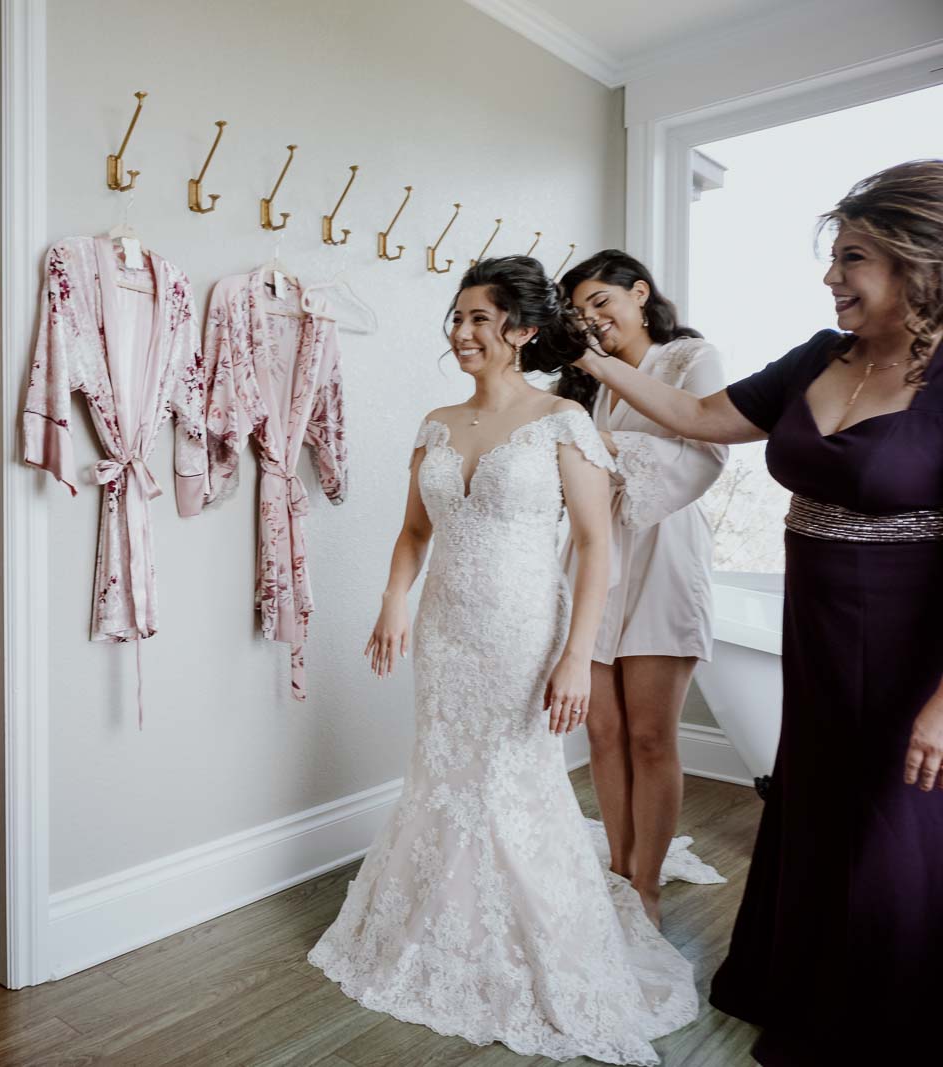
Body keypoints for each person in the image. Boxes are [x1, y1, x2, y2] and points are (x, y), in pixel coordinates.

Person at [570, 160, 943, 1066]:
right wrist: (579, 352)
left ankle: (888, 1026)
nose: (831, 278)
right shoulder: (820, 355)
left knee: (893, 832)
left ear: (918, 262)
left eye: (852, 258)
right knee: (815, 801)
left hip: (914, 637)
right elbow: (698, 415)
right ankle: (800, 984)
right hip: (815, 619)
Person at [309, 256, 698, 1064]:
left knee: (516, 780)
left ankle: (541, 942)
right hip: (449, 631)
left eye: (480, 319)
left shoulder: (565, 420)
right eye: (456, 318)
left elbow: (597, 549)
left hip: (527, 632)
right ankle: (438, 930)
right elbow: (415, 531)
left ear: (522, 330)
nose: (462, 333)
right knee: (446, 772)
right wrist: (392, 601)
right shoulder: (436, 423)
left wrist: (574, 656)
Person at [556, 250, 729, 926]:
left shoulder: (690, 359)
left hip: (664, 549)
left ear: (639, 293)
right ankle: (619, 870)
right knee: (602, 727)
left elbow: (709, 453)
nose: (594, 319)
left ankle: (647, 885)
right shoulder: (590, 383)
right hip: (599, 550)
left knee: (652, 735)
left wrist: (607, 446)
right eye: (581, 311)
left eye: (603, 301)